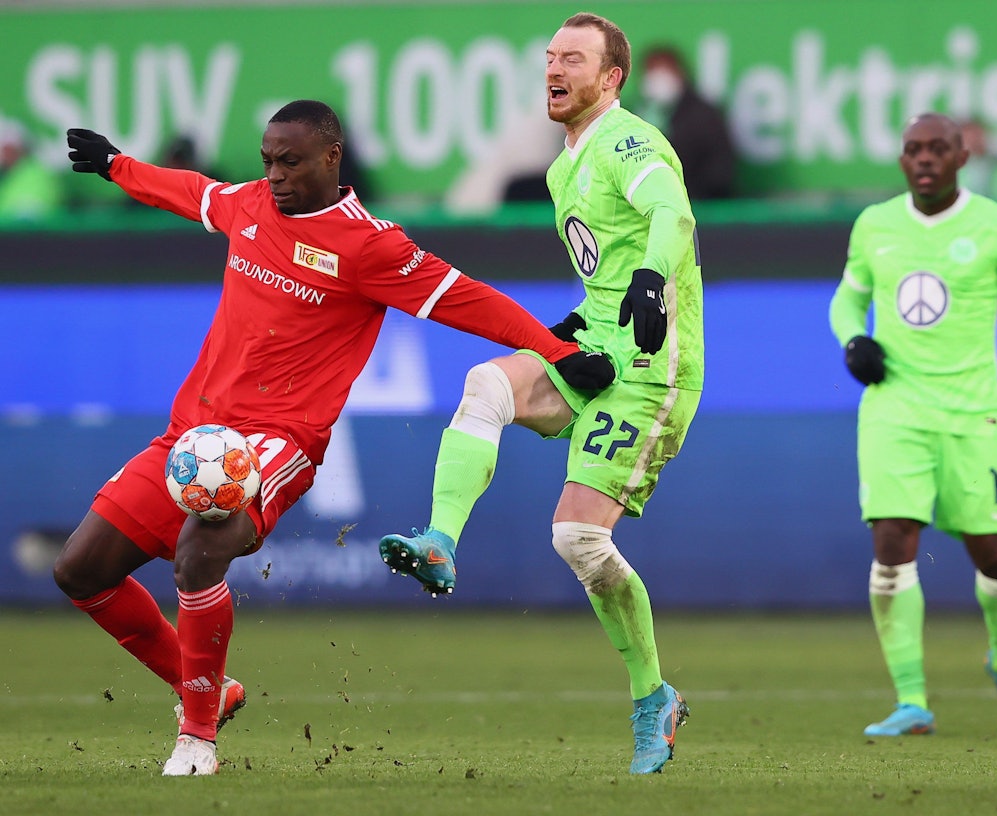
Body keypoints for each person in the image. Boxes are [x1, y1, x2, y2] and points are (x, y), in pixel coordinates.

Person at [55, 100, 615, 777]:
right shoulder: (251, 204)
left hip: (279, 441)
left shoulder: (369, 245)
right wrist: (118, 167)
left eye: (290, 161)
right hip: (194, 434)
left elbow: (467, 297)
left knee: (201, 547)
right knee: (80, 570)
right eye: (267, 160)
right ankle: (209, 685)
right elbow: (194, 193)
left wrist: (554, 351)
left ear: (330, 159)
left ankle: (196, 739)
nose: (276, 175)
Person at [379, 13, 703, 775]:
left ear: (611, 77)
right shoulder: (563, 169)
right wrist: (565, 333)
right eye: (550, 57)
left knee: (579, 540)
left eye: (574, 59)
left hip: (654, 371)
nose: (555, 69)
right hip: (600, 347)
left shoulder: (632, 142)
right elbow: (604, 275)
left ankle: (653, 697)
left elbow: (672, 214)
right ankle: (439, 543)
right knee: (487, 381)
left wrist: (654, 280)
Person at [828, 112, 997, 738]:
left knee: (996, 559)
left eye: (938, 148)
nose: (925, 159)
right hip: (894, 409)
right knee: (892, 542)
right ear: (901, 160)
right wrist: (853, 339)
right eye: (913, 149)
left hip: (975, 415)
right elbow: (848, 297)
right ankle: (912, 700)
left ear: (963, 157)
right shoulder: (875, 225)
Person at [636, 45, 736, 200]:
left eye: (664, 71)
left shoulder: (704, 115)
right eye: (652, 71)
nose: (657, 78)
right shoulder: (633, 114)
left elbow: (719, 171)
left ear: (680, 73)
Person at [0, 119, 63, 221]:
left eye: (8, 149)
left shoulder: (38, 174)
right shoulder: (9, 175)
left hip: (29, 233)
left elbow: (31, 211)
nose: (5, 154)